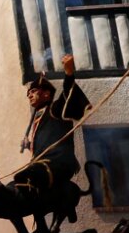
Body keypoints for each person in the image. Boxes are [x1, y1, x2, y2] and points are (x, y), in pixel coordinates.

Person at [14, 53, 90, 198]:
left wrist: (68, 73)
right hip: (41, 164)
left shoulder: (55, 110)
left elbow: (67, 93)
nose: (29, 95)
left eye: (34, 91)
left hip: (58, 163)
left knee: (22, 177)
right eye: (28, 93)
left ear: (47, 94)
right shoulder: (38, 117)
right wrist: (30, 144)